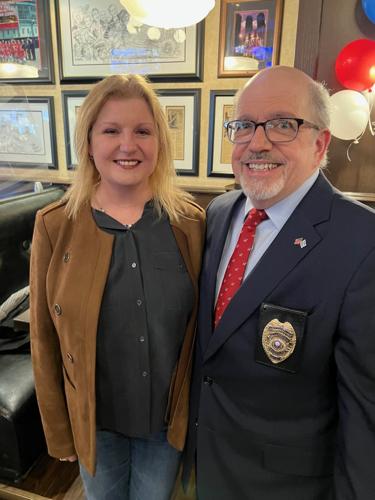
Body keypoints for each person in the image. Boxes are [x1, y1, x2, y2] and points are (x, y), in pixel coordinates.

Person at [184, 65, 375, 499]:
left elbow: (367, 414)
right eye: (244, 126)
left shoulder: (364, 243)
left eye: (283, 125)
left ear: (320, 142)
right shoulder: (220, 212)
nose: (258, 141)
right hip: (207, 462)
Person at [30, 73, 205, 500]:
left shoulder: (192, 224)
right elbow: (42, 336)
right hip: (95, 425)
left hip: (166, 427)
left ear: (159, 143)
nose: (128, 145)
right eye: (111, 130)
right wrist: (58, 433)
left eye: (142, 131)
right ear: (89, 143)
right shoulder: (54, 225)